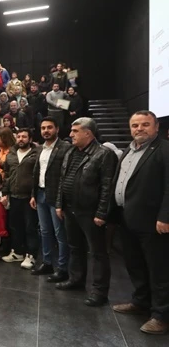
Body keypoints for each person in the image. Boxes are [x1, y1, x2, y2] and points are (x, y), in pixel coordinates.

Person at [110, 111, 169, 334]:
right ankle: (141, 301)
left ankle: (162, 315)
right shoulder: (128, 150)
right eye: (135, 125)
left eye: (145, 124)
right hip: (127, 218)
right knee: (135, 264)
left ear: (156, 127)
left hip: (153, 222)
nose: (139, 129)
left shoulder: (164, 150)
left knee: (159, 269)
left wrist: (165, 217)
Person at [55, 117, 117, 307]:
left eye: (75, 131)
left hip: (90, 211)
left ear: (88, 133)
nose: (71, 134)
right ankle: (76, 279)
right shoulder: (71, 151)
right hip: (70, 208)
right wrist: (59, 204)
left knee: (98, 252)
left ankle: (99, 291)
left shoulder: (104, 154)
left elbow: (107, 186)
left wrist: (102, 212)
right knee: (75, 247)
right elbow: (62, 179)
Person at [30, 117, 71, 282]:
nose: (46, 131)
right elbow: (36, 172)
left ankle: (63, 268)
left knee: (60, 234)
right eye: (43, 128)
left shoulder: (65, 148)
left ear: (57, 129)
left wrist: (61, 202)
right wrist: (33, 194)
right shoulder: (40, 148)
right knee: (44, 231)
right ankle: (47, 263)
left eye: (49, 127)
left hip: (56, 196)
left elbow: (64, 177)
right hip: (40, 194)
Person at [1, 128, 40, 269]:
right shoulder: (11, 154)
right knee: (15, 226)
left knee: (30, 227)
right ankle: (17, 252)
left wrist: (34, 194)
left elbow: (38, 176)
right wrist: (5, 193)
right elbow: (7, 174)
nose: (21, 139)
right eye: (18, 137)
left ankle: (31, 255)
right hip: (14, 195)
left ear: (30, 139)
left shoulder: (36, 153)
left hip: (29, 197)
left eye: (24, 136)